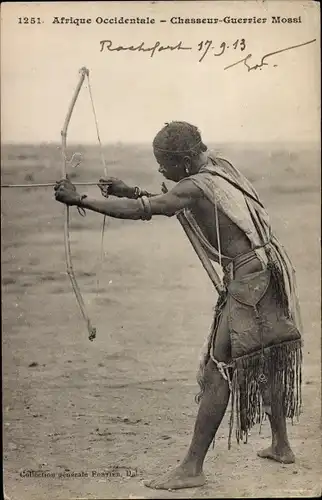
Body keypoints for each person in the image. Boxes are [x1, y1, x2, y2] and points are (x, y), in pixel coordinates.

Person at [55, 121, 303, 491]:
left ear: (186, 160)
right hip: (267, 268)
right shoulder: (219, 165)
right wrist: (131, 190)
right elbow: (176, 201)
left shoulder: (193, 184)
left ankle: (192, 468)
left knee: (218, 369)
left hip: (250, 281)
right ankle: (281, 446)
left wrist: (80, 200)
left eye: (164, 163)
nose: (160, 171)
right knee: (263, 355)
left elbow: (151, 208)